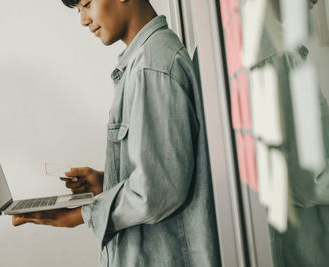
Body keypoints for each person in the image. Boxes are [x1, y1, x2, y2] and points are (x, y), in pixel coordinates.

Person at [12, 0, 220, 266]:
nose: (83, 20)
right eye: (78, 10)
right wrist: (107, 180)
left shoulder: (151, 67)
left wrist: (80, 215)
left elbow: (157, 191)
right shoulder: (142, 63)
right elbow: (163, 170)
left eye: (87, 4)